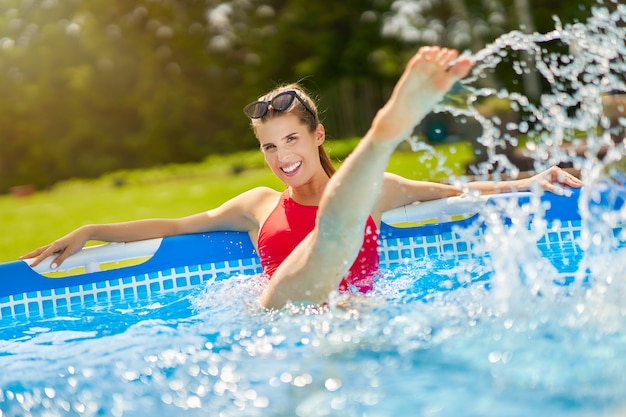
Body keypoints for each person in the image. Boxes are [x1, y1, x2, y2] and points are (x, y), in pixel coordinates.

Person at [22, 47, 583, 309]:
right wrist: (94, 225)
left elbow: (461, 192)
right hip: (280, 316)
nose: (281, 156)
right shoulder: (257, 204)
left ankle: (380, 139)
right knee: (325, 241)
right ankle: (382, 135)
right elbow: (174, 223)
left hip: (356, 315)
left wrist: (535, 182)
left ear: (317, 137)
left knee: (345, 241)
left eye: (290, 139)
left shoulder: (378, 192)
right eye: (269, 146)